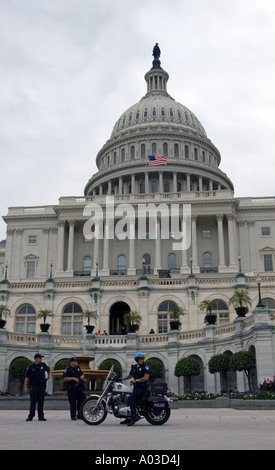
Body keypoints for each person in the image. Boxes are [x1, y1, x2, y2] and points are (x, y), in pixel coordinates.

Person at [121, 351, 150, 426]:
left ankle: (134, 416)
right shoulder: (134, 367)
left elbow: (146, 378)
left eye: (143, 359)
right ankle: (128, 416)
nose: (142, 360)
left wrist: (137, 380)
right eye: (140, 359)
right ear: (137, 359)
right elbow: (130, 376)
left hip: (142, 388)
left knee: (132, 398)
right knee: (127, 398)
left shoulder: (145, 367)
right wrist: (121, 379)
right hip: (136, 388)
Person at [24, 353, 50, 421]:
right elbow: (27, 377)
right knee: (33, 402)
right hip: (34, 386)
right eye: (40, 358)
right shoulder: (30, 367)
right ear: (36, 359)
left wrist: (48, 377)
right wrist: (25, 387)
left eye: (41, 358)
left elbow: (48, 370)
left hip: (42, 386)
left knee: (41, 402)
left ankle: (41, 416)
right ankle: (31, 416)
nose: (41, 359)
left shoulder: (43, 365)